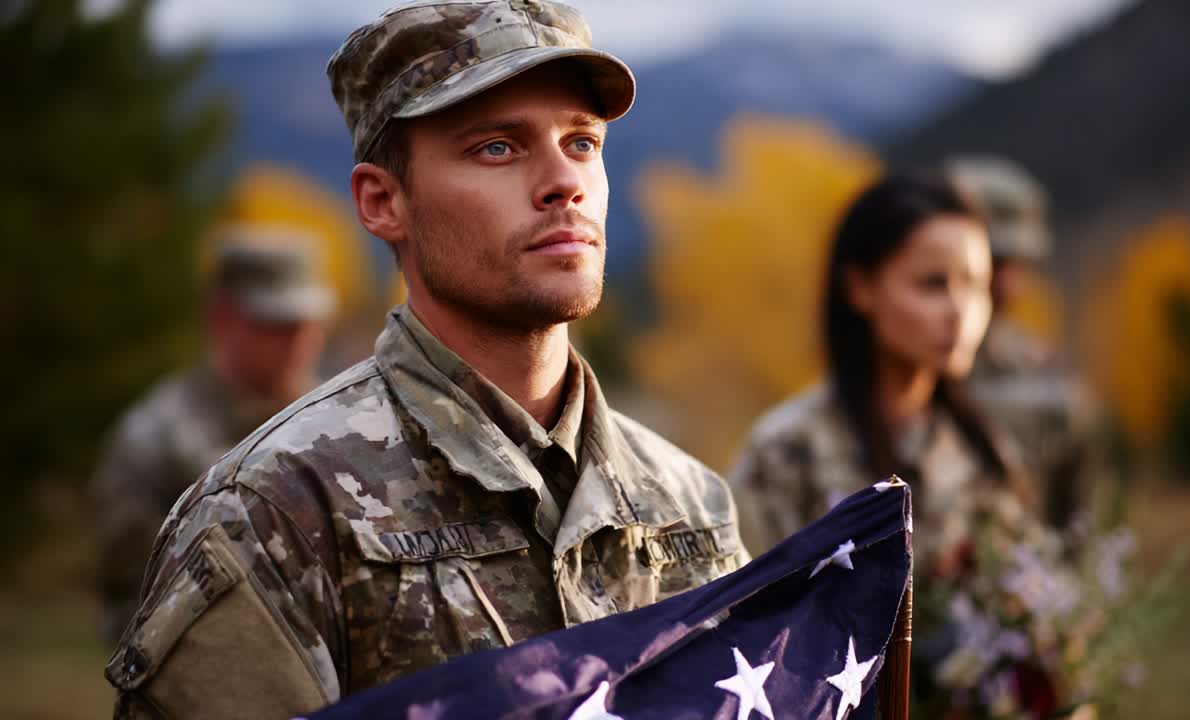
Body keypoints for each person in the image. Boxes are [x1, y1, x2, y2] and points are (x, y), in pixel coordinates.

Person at [105, 3, 748, 718]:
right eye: (497, 148)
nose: (563, 182)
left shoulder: (691, 503)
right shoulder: (274, 512)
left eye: (582, 143)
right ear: (384, 201)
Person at [727, 174, 1027, 570]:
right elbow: (739, 609)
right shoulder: (788, 453)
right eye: (932, 284)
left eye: (976, 285)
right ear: (860, 288)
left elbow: (1024, 601)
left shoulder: (981, 448)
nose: (960, 312)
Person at [92, 232, 335, 645]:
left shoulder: (339, 419)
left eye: (308, 321)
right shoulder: (156, 435)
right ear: (222, 316)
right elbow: (132, 592)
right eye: (274, 322)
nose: (298, 339)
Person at [946, 156, 1102, 528]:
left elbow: (1081, 525)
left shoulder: (1048, 375)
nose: (1002, 284)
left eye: (1015, 264)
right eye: (990, 260)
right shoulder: (892, 369)